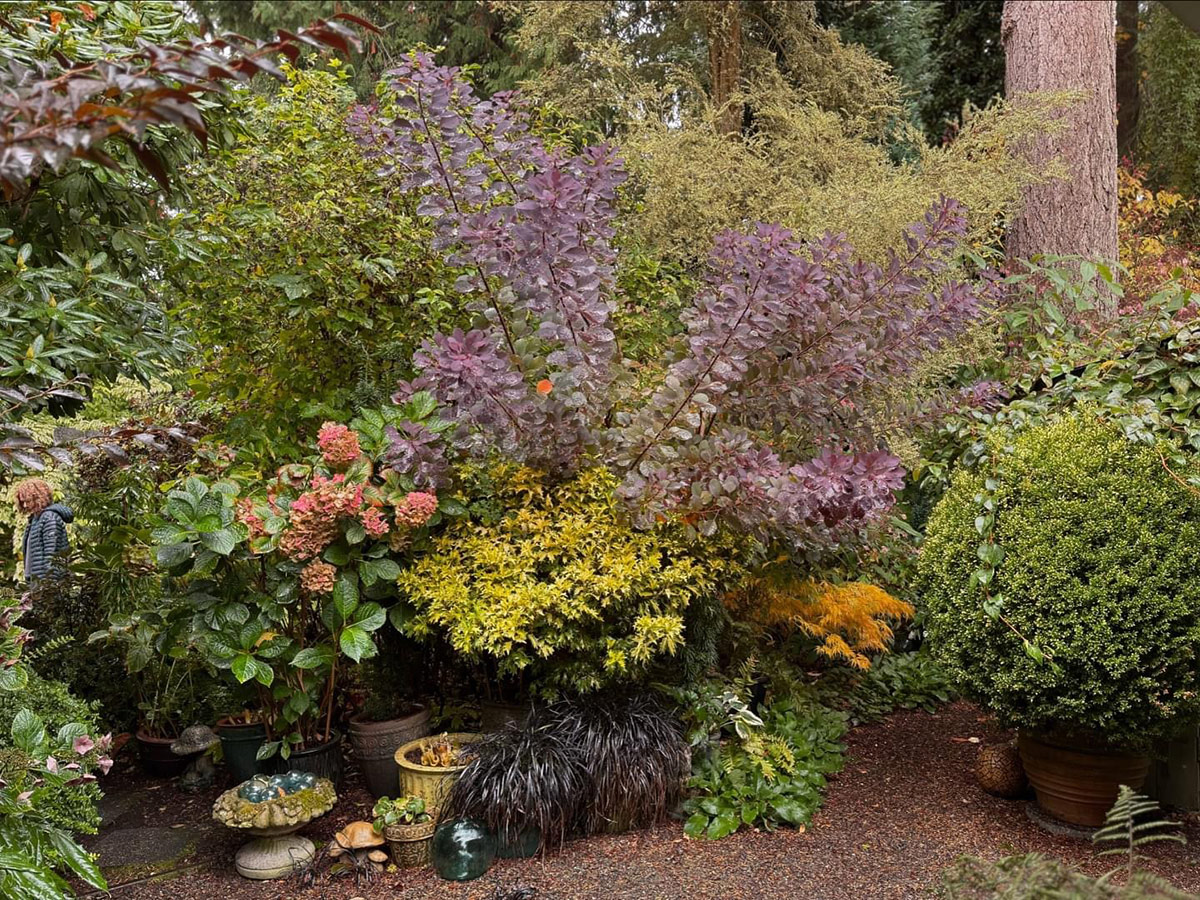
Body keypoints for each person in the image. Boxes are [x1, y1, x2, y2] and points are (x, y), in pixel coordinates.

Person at [15, 479, 72, 584]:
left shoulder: (49, 518)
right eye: (22, 502)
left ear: (38, 498)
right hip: (37, 580)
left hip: (47, 583)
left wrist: (48, 585)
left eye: (27, 501)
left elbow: (52, 554)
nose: (25, 506)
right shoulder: (35, 519)